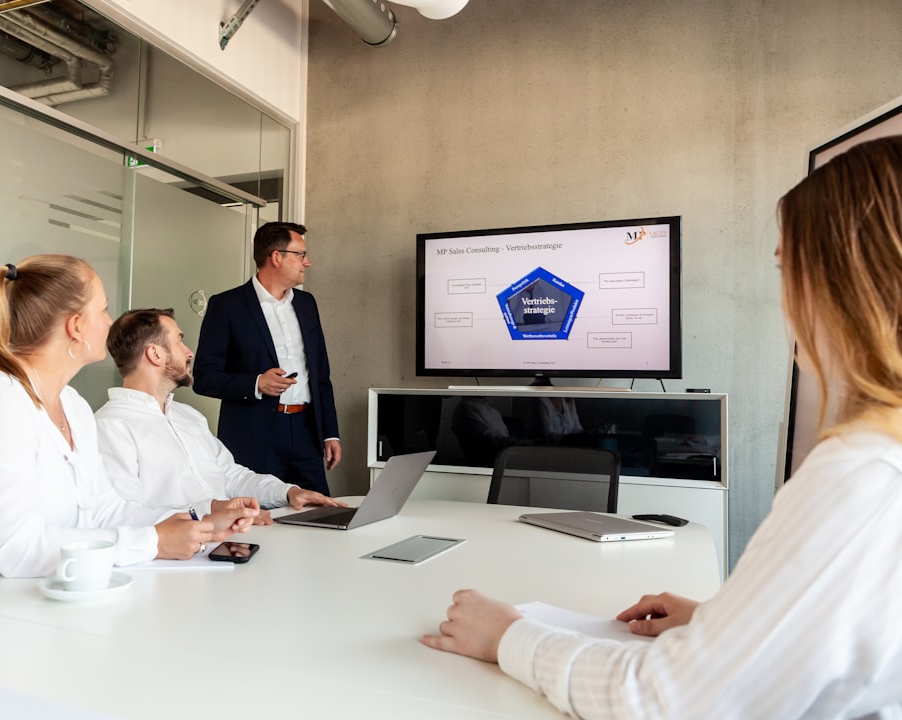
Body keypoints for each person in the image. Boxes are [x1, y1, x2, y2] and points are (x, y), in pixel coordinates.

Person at [423, 136, 902, 718]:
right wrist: (725, 624)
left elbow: (671, 701)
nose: (786, 302)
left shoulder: (863, 472)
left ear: (850, 279)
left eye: (787, 267)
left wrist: (508, 636)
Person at [0, 255, 256, 590]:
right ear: (75, 326)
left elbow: (104, 510)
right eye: (103, 310)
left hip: (8, 600)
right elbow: (17, 549)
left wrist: (198, 524)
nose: (110, 323)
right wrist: (153, 542)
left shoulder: (72, 405)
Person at [95, 308, 347, 523]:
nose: (189, 352)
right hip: (180, 561)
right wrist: (213, 512)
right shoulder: (110, 426)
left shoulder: (188, 417)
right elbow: (125, 515)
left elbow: (231, 476)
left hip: (231, 541)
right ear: (155, 354)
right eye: (179, 342)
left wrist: (289, 492)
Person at [192, 221, 340, 495]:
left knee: (318, 512)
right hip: (254, 436)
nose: (307, 263)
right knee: (253, 520)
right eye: (301, 255)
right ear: (276, 257)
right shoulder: (226, 306)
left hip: (307, 432)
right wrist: (256, 383)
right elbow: (203, 378)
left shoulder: (307, 305)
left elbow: (320, 375)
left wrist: (330, 432)